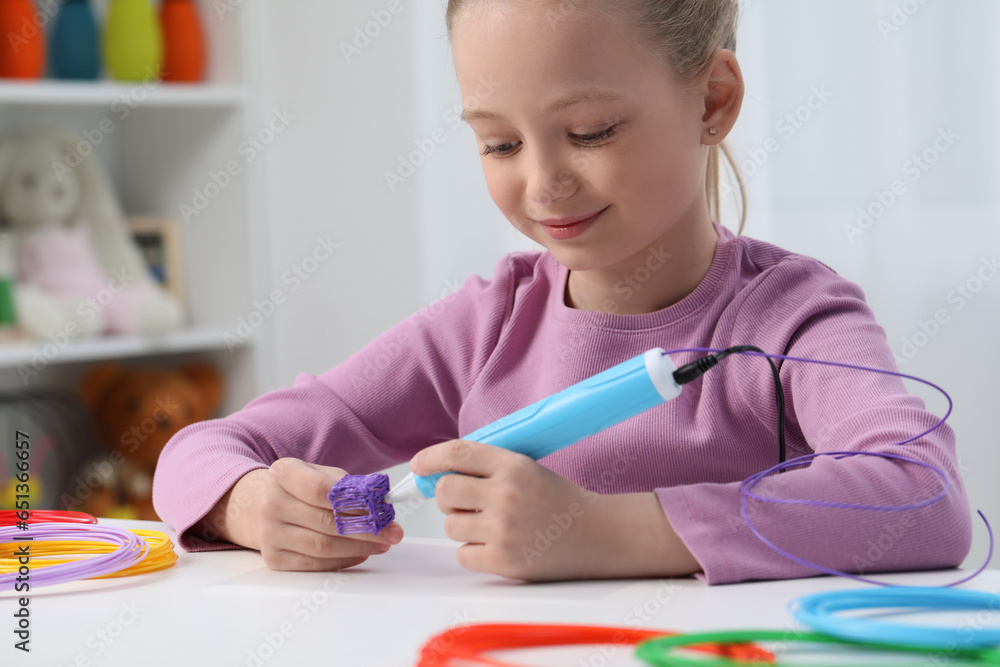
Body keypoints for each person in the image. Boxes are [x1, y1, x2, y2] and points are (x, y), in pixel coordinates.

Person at [152, 0, 973, 585]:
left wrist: (606, 531)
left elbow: (924, 498)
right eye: (499, 142)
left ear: (712, 101)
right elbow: (199, 451)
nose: (544, 184)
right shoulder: (483, 327)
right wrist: (250, 504)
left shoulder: (795, 316)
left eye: (592, 132)